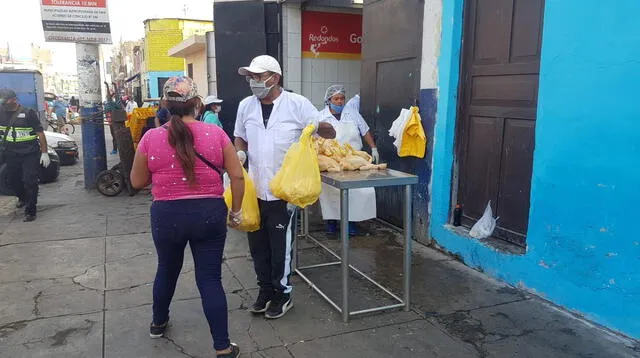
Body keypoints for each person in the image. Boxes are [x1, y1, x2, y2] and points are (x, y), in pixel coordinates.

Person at [130, 76, 244, 358]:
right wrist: (237, 211)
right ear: (197, 104)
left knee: (167, 269)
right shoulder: (215, 134)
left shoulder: (151, 138)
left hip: (167, 215)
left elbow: (136, 181)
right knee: (210, 279)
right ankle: (223, 347)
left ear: (165, 105)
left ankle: (158, 323)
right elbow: (237, 175)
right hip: (209, 214)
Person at [234, 55, 336, 319]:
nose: (253, 81)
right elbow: (239, 138)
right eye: (251, 77)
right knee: (257, 245)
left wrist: (317, 125)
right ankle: (265, 290)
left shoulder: (297, 104)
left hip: (284, 190)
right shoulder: (246, 106)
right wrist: (240, 154)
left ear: (274, 78)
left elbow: (329, 133)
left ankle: (283, 294)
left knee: (280, 246)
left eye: (258, 76)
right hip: (255, 188)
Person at [318, 85, 379, 235]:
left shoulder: (352, 113)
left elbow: (365, 131)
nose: (340, 102)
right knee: (330, 193)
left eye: (342, 98)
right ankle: (331, 223)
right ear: (328, 100)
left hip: (354, 159)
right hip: (331, 161)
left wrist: (373, 148)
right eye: (336, 99)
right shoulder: (320, 116)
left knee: (358, 192)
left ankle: (350, 223)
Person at [0, 89, 50, 222]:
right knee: (13, 180)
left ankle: (30, 210)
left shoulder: (28, 113)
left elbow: (40, 133)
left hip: (29, 153)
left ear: (14, 99)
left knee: (30, 181)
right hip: (11, 153)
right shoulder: (1, 112)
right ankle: (22, 198)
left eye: (5, 100)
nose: (3, 102)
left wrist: (44, 153)